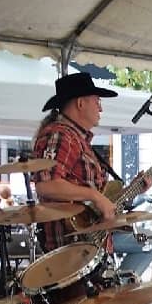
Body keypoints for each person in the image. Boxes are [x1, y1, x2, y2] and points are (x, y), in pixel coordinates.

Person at [32, 72, 119, 254]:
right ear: (80, 103)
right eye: (97, 102)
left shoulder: (76, 139)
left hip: (86, 246)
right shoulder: (60, 135)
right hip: (70, 251)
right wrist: (95, 196)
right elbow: (46, 185)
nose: (100, 109)